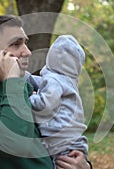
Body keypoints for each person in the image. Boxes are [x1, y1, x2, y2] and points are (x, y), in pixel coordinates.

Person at [0, 15, 92, 169]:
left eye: (25, 43)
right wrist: (12, 82)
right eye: (15, 44)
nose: (27, 52)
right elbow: (15, 143)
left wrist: (84, 166)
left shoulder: (37, 92)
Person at [29, 35, 88, 168]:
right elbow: (39, 82)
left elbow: (45, 105)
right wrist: (25, 77)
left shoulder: (54, 81)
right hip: (75, 141)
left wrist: (31, 98)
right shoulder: (68, 81)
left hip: (61, 143)